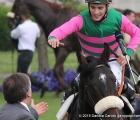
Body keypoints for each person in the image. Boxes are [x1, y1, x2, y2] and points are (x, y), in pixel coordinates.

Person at [47, 0, 140, 108]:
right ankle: (64, 115)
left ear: (107, 7)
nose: (96, 12)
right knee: (73, 87)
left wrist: (127, 54)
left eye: (100, 8)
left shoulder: (117, 18)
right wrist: (53, 37)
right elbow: (62, 30)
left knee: (124, 86)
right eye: (93, 7)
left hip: (111, 61)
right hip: (89, 63)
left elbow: (136, 32)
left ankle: (133, 113)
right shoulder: (80, 19)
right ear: (89, 6)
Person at [10, 8, 47, 98]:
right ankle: (38, 86)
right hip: (30, 52)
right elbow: (38, 35)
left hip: (23, 52)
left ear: (22, 16)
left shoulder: (21, 27)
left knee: (21, 74)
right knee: (23, 73)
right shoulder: (35, 26)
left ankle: (40, 85)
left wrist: (14, 26)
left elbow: (13, 35)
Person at [122, 9, 136, 79]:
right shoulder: (125, 28)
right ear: (127, 16)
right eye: (133, 16)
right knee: (126, 79)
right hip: (125, 57)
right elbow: (127, 41)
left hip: (127, 57)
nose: (134, 18)